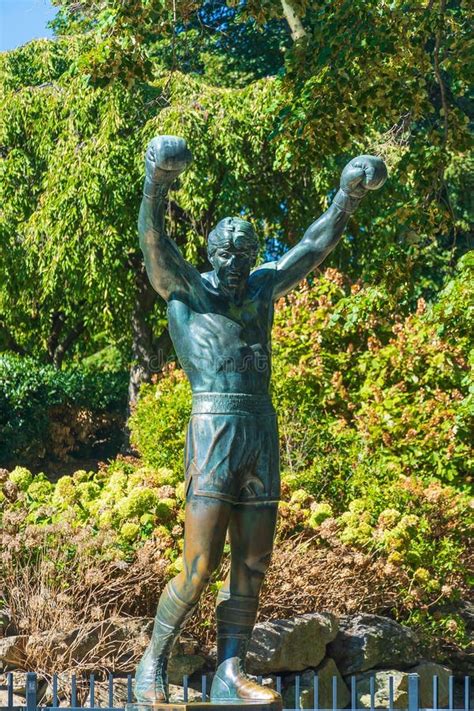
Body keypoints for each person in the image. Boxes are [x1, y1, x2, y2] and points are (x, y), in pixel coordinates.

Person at [134, 136, 387, 704]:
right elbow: (154, 241)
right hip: (214, 427)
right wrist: (157, 182)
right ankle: (152, 664)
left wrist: (346, 195)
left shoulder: (261, 288)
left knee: (252, 563)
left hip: (259, 431)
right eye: (225, 255)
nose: (235, 265)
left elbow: (311, 246)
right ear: (209, 254)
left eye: (245, 255)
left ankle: (230, 671)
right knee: (198, 566)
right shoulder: (187, 289)